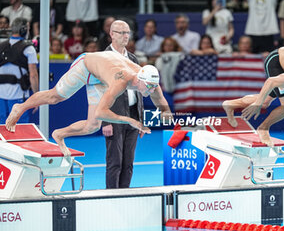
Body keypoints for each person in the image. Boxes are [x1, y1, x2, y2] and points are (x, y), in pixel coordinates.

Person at [5, 51, 172, 156]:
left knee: (92, 126)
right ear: (139, 80)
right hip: (86, 65)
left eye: (153, 87)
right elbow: (101, 112)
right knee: (55, 97)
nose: (150, 91)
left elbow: (162, 104)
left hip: (100, 76)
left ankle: (59, 134)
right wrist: (131, 121)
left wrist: (173, 123)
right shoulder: (121, 81)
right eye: (148, 87)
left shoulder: (150, 83)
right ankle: (19, 107)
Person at [101, 20, 144, 189]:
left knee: (128, 163)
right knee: (115, 162)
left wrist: (140, 119)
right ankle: (111, 197)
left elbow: (139, 91)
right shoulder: (103, 59)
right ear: (111, 34)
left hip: (132, 115)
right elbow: (98, 91)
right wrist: (105, 120)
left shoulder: (133, 58)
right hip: (114, 115)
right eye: (121, 33)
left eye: (127, 32)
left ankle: (125, 195)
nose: (126, 36)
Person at [0, 17, 38, 124]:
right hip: (18, 96)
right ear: (24, 30)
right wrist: (36, 97)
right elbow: (33, 75)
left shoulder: (1, 46)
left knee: (1, 131)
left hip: (1, 97)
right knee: (20, 131)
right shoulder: (29, 49)